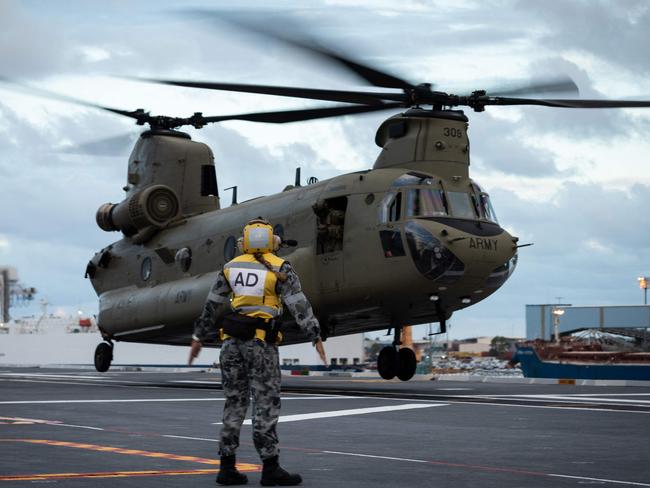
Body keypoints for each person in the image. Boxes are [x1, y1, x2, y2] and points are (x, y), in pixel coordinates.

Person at [189, 217, 326, 486]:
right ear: (273, 241)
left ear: (244, 242)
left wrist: (198, 337)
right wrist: (315, 335)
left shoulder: (230, 268)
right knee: (265, 403)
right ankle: (270, 467)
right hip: (260, 345)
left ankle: (226, 467)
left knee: (234, 402)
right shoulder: (279, 268)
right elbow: (298, 305)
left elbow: (211, 306)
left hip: (230, 344)